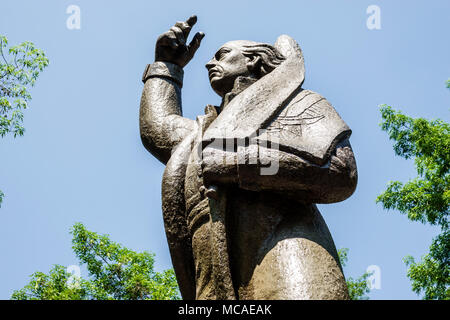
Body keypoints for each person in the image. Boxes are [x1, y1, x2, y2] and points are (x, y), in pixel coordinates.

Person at [139, 15, 357, 300]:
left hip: (289, 255)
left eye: (223, 55)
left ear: (254, 61)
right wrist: (166, 66)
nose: (208, 63)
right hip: (220, 278)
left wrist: (239, 165)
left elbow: (340, 172)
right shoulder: (210, 129)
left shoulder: (300, 102)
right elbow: (158, 128)